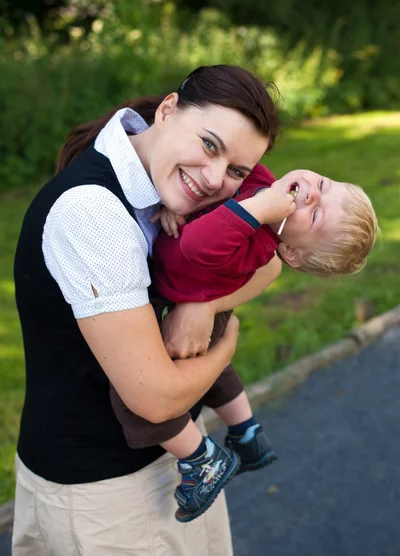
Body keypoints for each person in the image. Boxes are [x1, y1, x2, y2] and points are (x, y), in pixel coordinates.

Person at [12, 64, 286, 556]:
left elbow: (270, 266)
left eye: (237, 171)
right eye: (209, 144)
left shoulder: (165, 190)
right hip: (104, 496)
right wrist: (226, 346)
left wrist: (200, 306)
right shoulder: (92, 210)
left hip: (173, 465)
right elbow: (155, 399)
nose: (215, 179)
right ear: (166, 111)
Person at [110, 161, 378, 522]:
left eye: (314, 216)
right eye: (324, 184)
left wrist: (258, 208)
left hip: (177, 297)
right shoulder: (263, 182)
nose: (312, 192)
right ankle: (247, 430)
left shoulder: (255, 245)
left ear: (291, 253)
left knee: (137, 391)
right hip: (203, 306)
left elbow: (190, 248)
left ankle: (201, 458)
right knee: (214, 374)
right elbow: (216, 188)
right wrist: (179, 205)